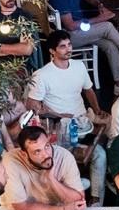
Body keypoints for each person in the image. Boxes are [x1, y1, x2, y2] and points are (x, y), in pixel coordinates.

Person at [25, 30, 109, 200]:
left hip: (82, 123)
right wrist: (57, 114)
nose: (68, 49)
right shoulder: (42, 75)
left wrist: (97, 108)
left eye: (69, 45)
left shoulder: (79, 66)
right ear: (52, 51)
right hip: (58, 126)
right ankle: (68, 194)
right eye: (62, 47)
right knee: (62, 159)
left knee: (100, 153)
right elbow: (32, 105)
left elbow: (88, 90)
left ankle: (96, 200)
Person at [0, 125, 86, 210]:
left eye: (47, 146)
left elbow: (78, 202)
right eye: (37, 151)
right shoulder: (10, 161)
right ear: (24, 154)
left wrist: (51, 179)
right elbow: (22, 209)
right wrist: (63, 209)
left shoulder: (65, 157)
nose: (46, 155)